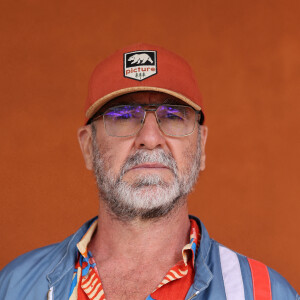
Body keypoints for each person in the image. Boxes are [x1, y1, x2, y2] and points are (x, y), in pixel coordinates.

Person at [0, 43, 298, 300]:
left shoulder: (265, 293)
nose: (151, 138)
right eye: (124, 116)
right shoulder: (14, 287)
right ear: (88, 147)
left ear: (201, 145)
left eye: (173, 116)